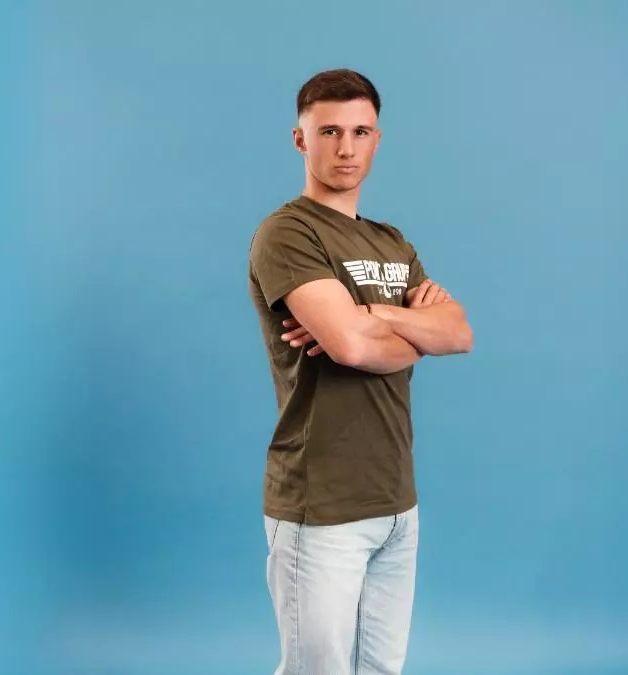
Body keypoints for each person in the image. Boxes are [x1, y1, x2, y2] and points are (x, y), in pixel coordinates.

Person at [247, 68, 474, 675]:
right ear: (301, 139)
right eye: (329, 131)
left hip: (396, 500)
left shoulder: (391, 241)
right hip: (321, 503)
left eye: (360, 131)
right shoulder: (287, 233)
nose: (346, 147)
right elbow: (349, 347)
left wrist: (376, 315)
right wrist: (409, 327)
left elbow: (458, 333)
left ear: (377, 139)